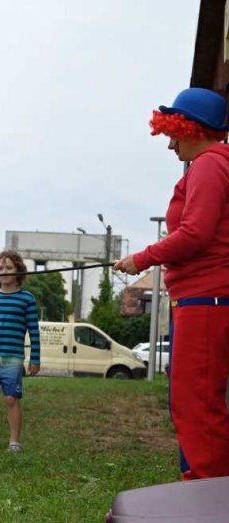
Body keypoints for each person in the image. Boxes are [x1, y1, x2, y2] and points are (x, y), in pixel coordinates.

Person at [113, 87, 229, 480]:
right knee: (197, 401)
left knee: (196, 403)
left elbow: (195, 234)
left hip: (206, 299)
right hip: (205, 299)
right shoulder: (214, 163)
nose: (169, 144)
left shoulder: (209, 164)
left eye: (172, 133)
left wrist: (141, 258)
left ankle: (207, 496)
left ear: (190, 127)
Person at [0, 251, 40, 453]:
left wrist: (35, 358)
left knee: (11, 399)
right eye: (0, 268)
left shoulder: (27, 299)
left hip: (13, 359)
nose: (4, 271)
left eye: (9, 268)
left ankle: (14, 441)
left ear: (18, 270)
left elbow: (34, 330)